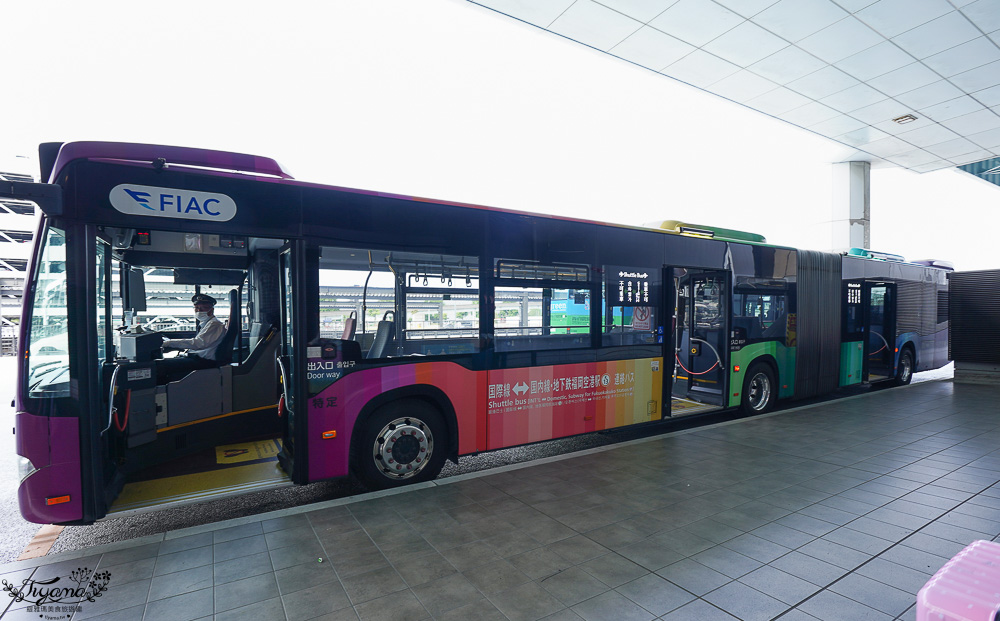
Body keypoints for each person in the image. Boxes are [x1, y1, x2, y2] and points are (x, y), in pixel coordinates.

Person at [155, 293, 227, 384]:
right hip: (197, 358)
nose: (199, 311)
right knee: (163, 362)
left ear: (211, 310)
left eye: (203, 308)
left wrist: (169, 343)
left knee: (158, 366)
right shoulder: (206, 324)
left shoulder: (214, 324)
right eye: (197, 308)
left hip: (204, 362)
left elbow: (198, 344)